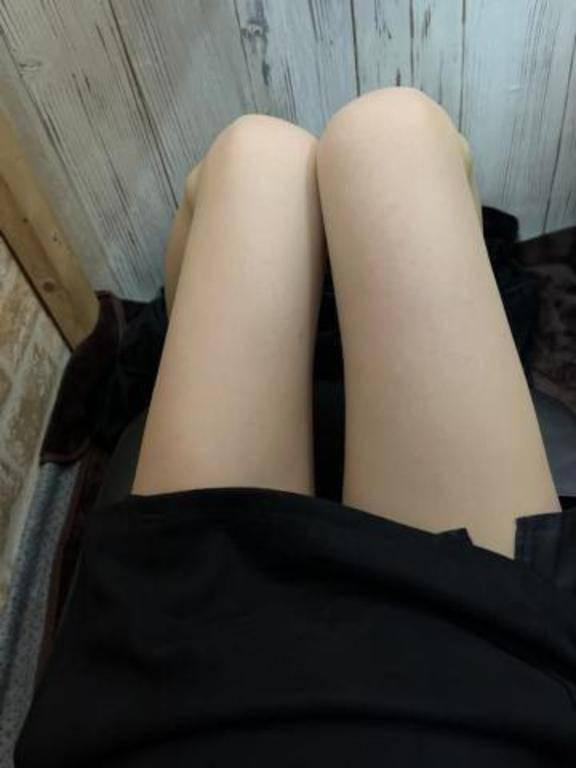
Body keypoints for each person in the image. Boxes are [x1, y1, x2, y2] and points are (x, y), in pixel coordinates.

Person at [16, 88, 576, 767]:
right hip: (487, 673)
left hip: (173, 684)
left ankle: (173, 360)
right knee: (395, 129)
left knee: (253, 152)